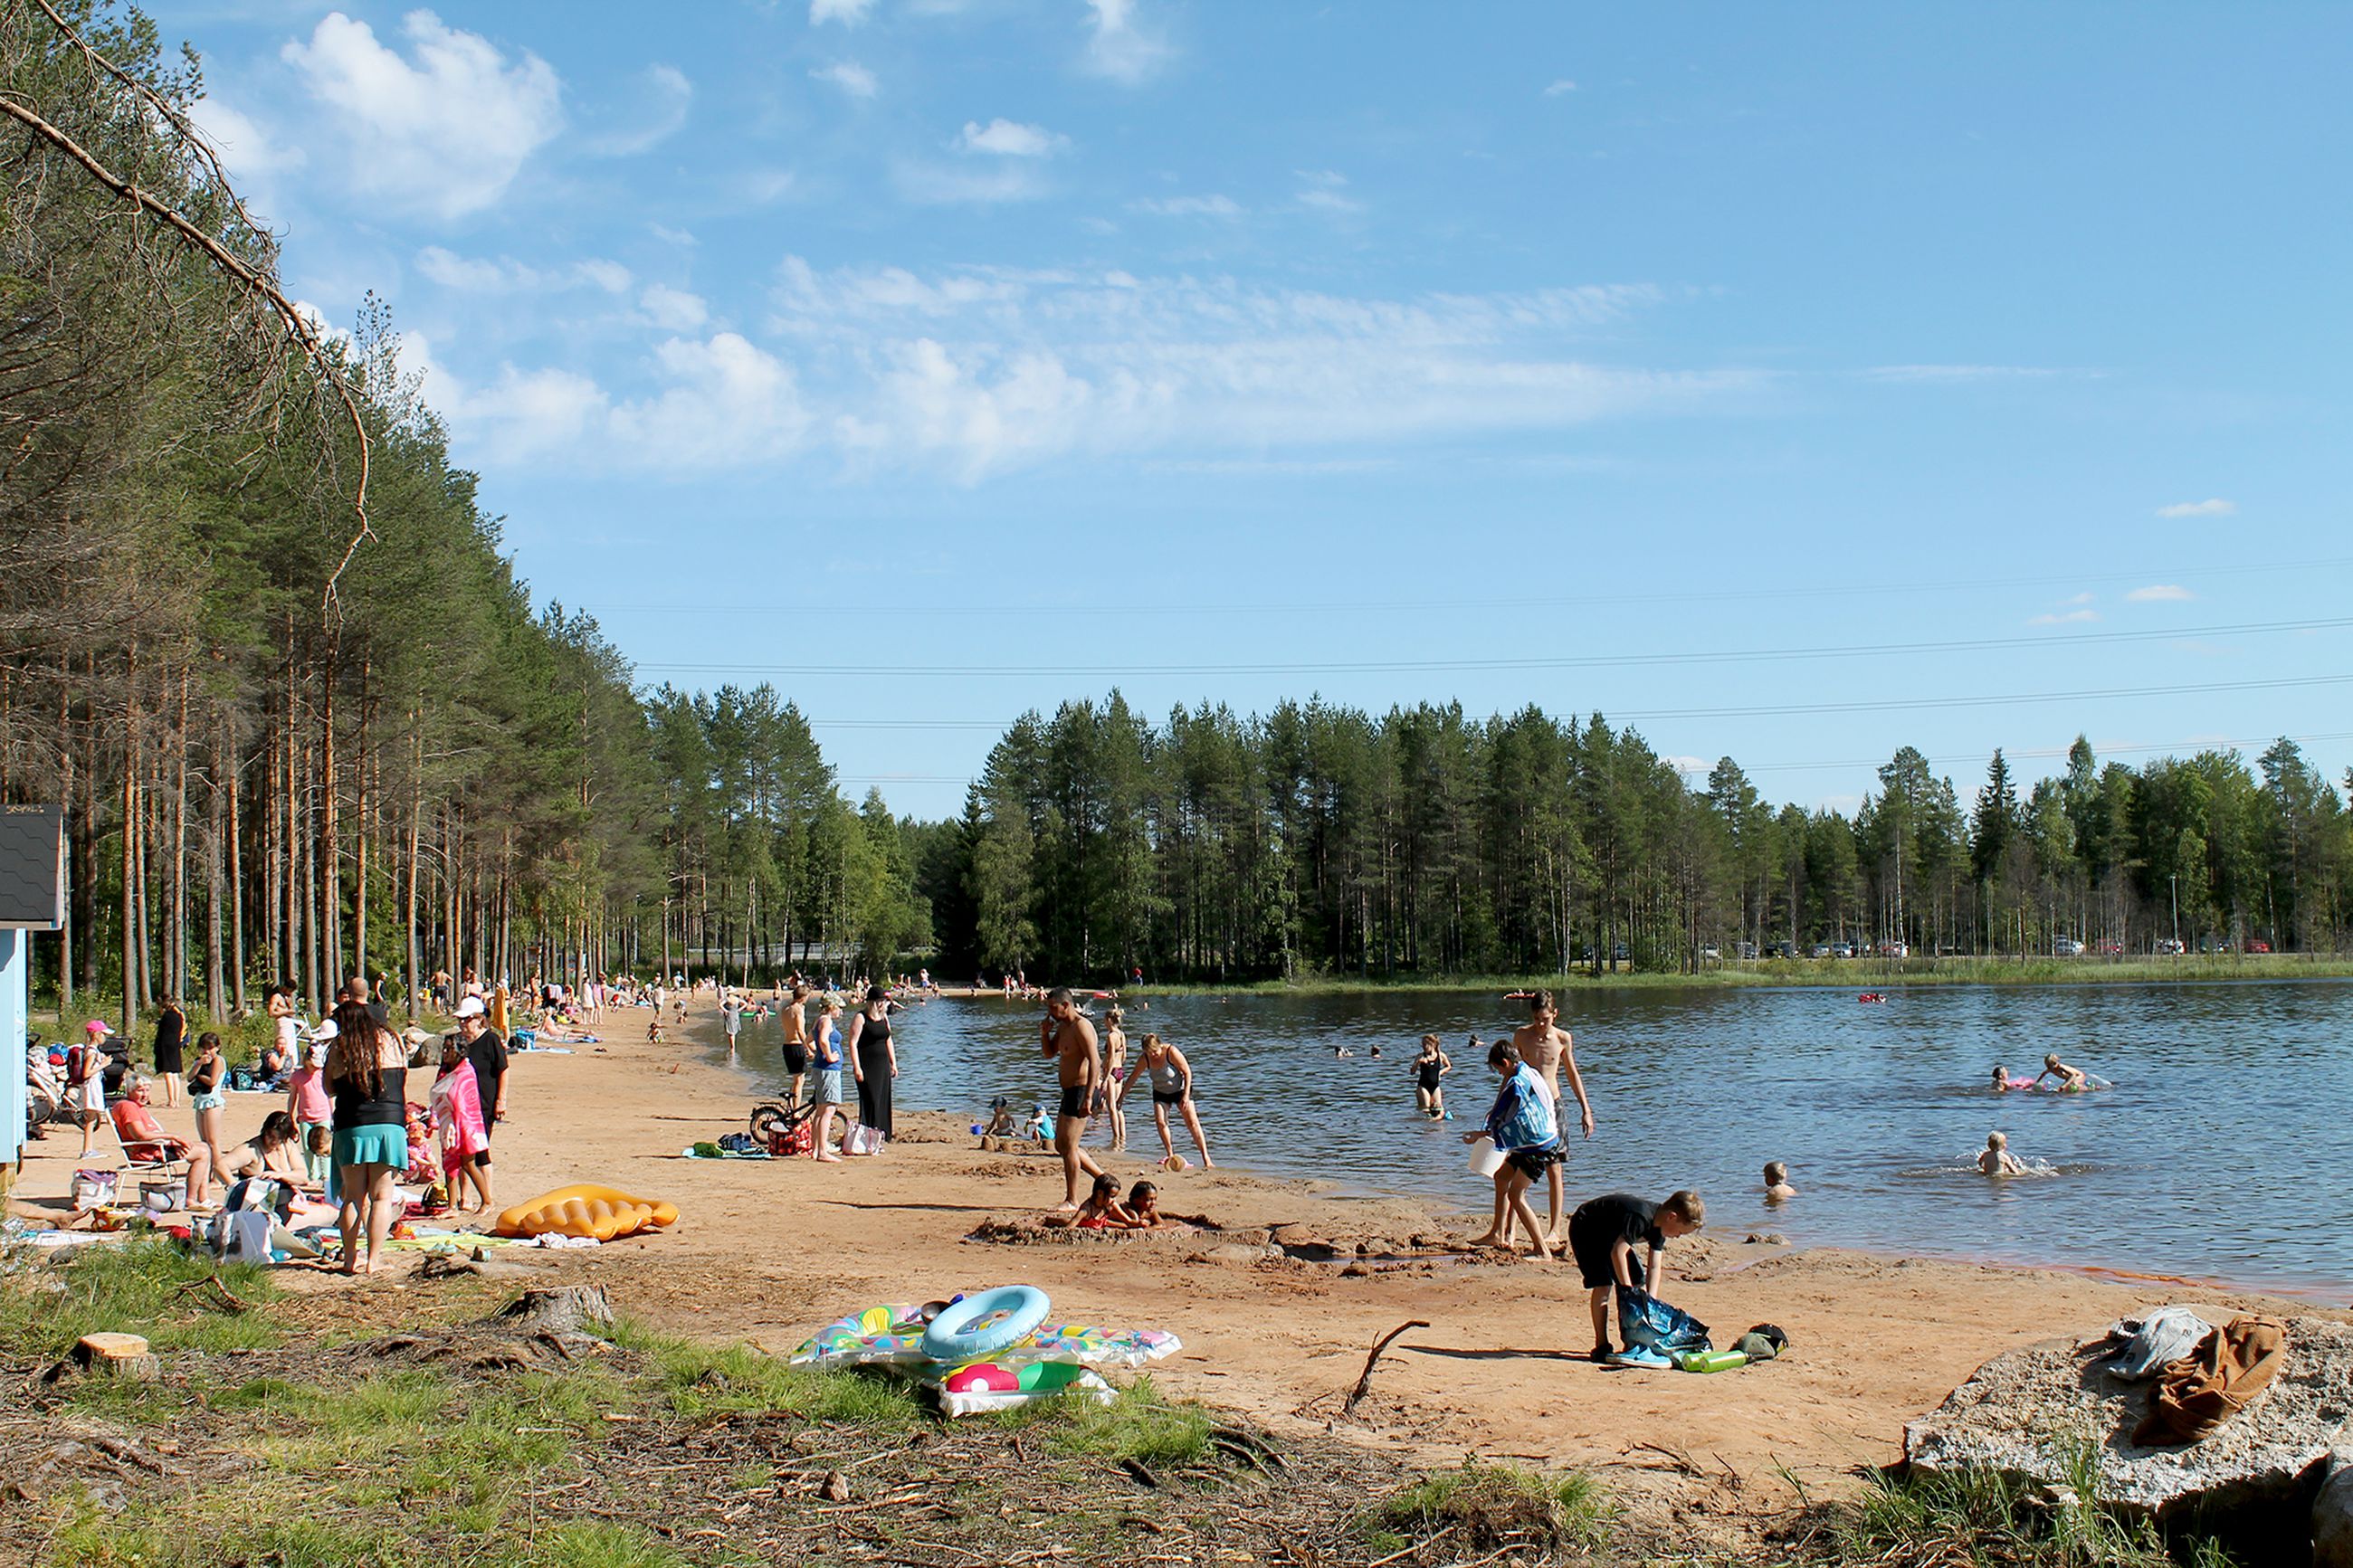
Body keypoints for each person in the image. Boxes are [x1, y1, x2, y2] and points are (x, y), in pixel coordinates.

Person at [325, 996, 409, 1275]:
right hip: (389, 1122)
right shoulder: (392, 1040)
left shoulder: (341, 1047)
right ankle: (373, 1261)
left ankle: (350, 1259)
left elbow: (328, 1088)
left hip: (352, 1125)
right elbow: (403, 1075)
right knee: (382, 1197)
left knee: (353, 1196)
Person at [1568, 1191, 1706, 1361]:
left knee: (1637, 1282)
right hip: (1587, 1227)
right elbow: (1618, 1252)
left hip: (1612, 1235)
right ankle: (1601, 1344)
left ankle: (1632, 1341)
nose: (1678, 1236)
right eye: (1680, 1232)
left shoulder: (1659, 1227)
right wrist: (1627, 1292)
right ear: (1672, 1217)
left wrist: (1649, 1302)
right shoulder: (1640, 1216)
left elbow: (1654, 1266)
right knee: (1603, 1284)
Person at [1510, 991, 1597, 1244]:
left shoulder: (1562, 1039)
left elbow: (1572, 1073)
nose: (1540, 1024)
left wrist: (1586, 1109)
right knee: (1515, 1164)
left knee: (1554, 1169)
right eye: (1537, 1018)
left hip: (1553, 1108)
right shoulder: (1521, 1035)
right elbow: (1511, 1073)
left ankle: (1554, 1230)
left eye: (1545, 1019)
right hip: (1526, 1107)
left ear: (1554, 1015)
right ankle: (1511, 1230)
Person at [1462, 1040, 1559, 1259]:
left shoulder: (1517, 1083)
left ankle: (1541, 1250)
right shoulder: (1528, 1069)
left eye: (1498, 1069)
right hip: (1533, 1141)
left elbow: (1504, 1114)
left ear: (1505, 1063)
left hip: (1538, 1145)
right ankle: (1497, 1233)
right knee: (1501, 1176)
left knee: (1516, 1195)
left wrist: (1482, 1134)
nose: (1499, 1074)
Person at [1041, 988, 1109, 1209]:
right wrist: (1045, 1033)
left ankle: (1072, 1199)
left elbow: (1095, 1062)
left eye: (1053, 1007)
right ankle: (1104, 1180)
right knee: (1061, 1145)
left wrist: (1089, 1097)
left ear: (1066, 1005)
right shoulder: (1063, 1026)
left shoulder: (1082, 1026)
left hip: (1082, 1091)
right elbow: (1049, 1053)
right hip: (1069, 1091)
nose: (1050, 1011)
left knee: (1069, 1145)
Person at [109, 1079, 215, 1204]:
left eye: (147, 1090)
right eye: (140, 1090)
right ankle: (191, 1199)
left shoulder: (136, 1106)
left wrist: (172, 1142)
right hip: (146, 1153)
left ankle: (203, 1198)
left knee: (204, 1147)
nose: (145, 1095)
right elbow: (140, 1135)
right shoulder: (128, 1107)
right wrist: (173, 1138)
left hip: (156, 1147)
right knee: (202, 1153)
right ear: (129, 1091)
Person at [452, 997, 509, 1211]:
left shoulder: (490, 1040)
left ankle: (488, 1197)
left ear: (479, 1020)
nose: (463, 1024)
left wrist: (501, 1100)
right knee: (462, 1153)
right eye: (461, 1020)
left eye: (467, 1020)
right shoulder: (460, 1042)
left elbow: (503, 1069)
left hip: (484, 1105)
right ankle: (465, 1198)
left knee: (480, 1152)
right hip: (462, 1106)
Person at [430, 1032, 492, 1210]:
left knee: (468, 1163)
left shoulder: (466, 1072)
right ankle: (451, 1207)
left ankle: (487, 1201)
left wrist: (457, 1126)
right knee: (449, 1164)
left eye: (450, 1049)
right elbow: (438, 1095)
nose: (445, 1052)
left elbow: (463, 1101)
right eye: (445, 1048)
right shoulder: (444, 1072)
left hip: (466, 1125)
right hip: (447, 1124)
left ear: (460, 1051)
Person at [1137, 1033, 1214, 1169]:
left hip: (1180, 1090)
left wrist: (1186, 1095)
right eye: (1148, 1052)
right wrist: (1121, 1097)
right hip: (1160, 1092)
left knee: (1193, 1123)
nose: (1152, 1055)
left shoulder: (1171, 1052)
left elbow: (1187, 1072)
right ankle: (1170, 1155)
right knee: (1161, 1122)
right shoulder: (1145, 1059)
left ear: (1160, 1045)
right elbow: (1133, 1077)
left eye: (1154, 1051)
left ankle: (1206, 1158)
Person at [846, 984, 899, 1145]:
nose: (883, 1004)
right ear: (873, 1002)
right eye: (880, 1001)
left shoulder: (884, 1018)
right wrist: (857, 1067)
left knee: (883, 1098)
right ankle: (869, 1133)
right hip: (867, 1064)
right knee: (871, 1099)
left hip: (882, 1064)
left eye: (884, 1001)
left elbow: (888, 1039)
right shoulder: (861, 1017)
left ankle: (883, 1134)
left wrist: (893, 1063)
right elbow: (852, 1043)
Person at [286, 1028, 335, 1185]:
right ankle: (312, 1174)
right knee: (308, 1147)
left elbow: (329, 1094)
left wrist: (333, 1113)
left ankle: (326, 1175)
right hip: (305, 1116)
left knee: (325, 1145)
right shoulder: (298, 1076)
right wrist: (290, 1115)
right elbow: (293, 1096)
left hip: (323, 1115)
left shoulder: (323, 1074)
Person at [218, 1111, 308, 1185]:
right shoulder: (251, 1150)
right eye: (270, 1136)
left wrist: (280, 1175)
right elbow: (220, 1165)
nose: (274, 1141)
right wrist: (234, 1186)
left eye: (279, 1138)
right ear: (265, 1131)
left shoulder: (287, 1145)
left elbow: (303, 1177)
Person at [64, 1020, 111, 1159]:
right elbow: (86, 1073)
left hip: (92, 1084)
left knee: (91, 1118)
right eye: (103, 1034)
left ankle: (89, 1148)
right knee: (90, 1118)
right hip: (91, 1085)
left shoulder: (92, 1050)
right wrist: (103, 1065)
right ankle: (87, 1150)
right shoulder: (91, 1051)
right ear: (96, 1035)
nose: (105, 1037)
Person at [186, 1032, 228, 1181]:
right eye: (203, 1048)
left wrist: (199, 1076)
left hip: (213, 1103)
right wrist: (199, 1064)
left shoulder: (218, 1060)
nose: (207, 1052)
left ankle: (218, 1177)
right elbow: (189, 1077)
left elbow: (212, 1081)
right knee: (204, 1142)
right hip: (200, 1102)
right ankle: (206, 1174)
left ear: (217, 1047)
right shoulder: (200, 1061)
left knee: (213, 1141)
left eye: (210, 1048)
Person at [810, 996, 847, 1161]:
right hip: (828, 1069)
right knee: (829, 1109)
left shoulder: (819, 1020)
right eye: (838, 1007)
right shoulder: (826, 1021)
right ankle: (823, 1151)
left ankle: (816, 1149)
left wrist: (816, 1052)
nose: (841, 1011)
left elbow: (808, 1040)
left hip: (821, 1067)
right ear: (831, 1007)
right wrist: (829, 1056)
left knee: (820, 1109)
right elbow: (823, 1040)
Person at [1099, 1006, 1130, 1152]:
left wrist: (1105, 1078)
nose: (1104, 1023)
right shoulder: (1121, 1034)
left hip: (1111, 1072)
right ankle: (1122, 1137)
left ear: (1109, 1020)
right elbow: (1124, 1055)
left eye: (1105, 1020)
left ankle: (1115, 1139)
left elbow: (1110, 1057)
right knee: (1118, 1107)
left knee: (1111, 1107)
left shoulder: (1111, 1036)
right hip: (1120, 1071)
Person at [151, 998, 187, 1108]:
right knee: (175, 1074)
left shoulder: (166, 1017)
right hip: (176, 1046)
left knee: (168, 1073)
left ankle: (171, 1100)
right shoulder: (179, 1016)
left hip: (166, 1046)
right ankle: (176, 1100)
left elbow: (161, 1033)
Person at [780, 984, 812, 1107]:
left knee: (796, 1080)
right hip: (796, 1045)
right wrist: (808, 1048)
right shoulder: (797, 1010)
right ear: (803, 997)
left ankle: (793, 1107)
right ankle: (795, 1110)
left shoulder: (786, 1009)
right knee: (799, 1080)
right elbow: (800, 1030)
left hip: (787, 1045)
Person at [1410, 1034, 1453, 1117]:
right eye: (1422, 1044)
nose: (1424, 1047)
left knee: (1438, 1109)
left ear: (1433, 1044)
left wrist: (1440, 1073)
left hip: (1435, 1086)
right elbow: (1412, 1072)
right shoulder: (1420, 1056)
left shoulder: (1440, 1055)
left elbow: (1448, 1066)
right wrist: (1418, 1063)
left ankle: (1438, 1127)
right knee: (1426, 1109)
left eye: (1425, 1044)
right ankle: (1426, 1127)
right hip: (1423, 1086)